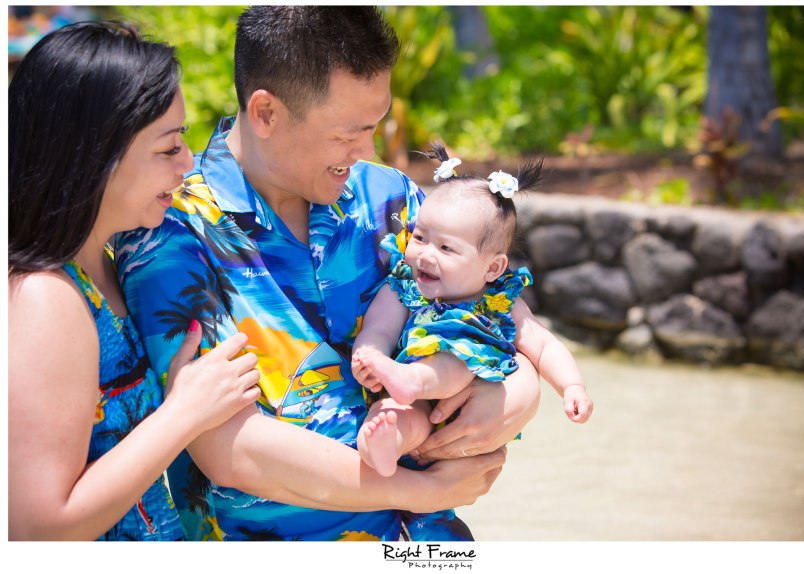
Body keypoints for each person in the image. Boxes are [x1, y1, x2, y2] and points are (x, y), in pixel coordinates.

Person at [113, 6, 536, 541]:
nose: (366, 151)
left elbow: (494, 318)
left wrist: (519, 395)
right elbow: (228, 448)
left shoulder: (391, 199)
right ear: (265, 112)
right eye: (349, 133)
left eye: (375, 126)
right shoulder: (168, 231)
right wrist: (421, 491)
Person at [8, 21, 262, 541]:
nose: (187, 164)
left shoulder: (101, 262)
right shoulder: (44, 298)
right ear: (95, 156)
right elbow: (37, 527)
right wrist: (184, 413)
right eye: (168, 148)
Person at [353, 143, 594, 477]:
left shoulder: (501, 301)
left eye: (446, 248)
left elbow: (543, 344)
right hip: (415, 399)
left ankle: (411, 383)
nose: (425, 254)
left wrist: (571, 386)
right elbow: (378, 330)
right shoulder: (404, 289)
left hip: (471, 396)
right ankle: (382, 447)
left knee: (457, 362)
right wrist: (370, 360)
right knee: (391, 413)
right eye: (420, 237)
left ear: (493, 268)